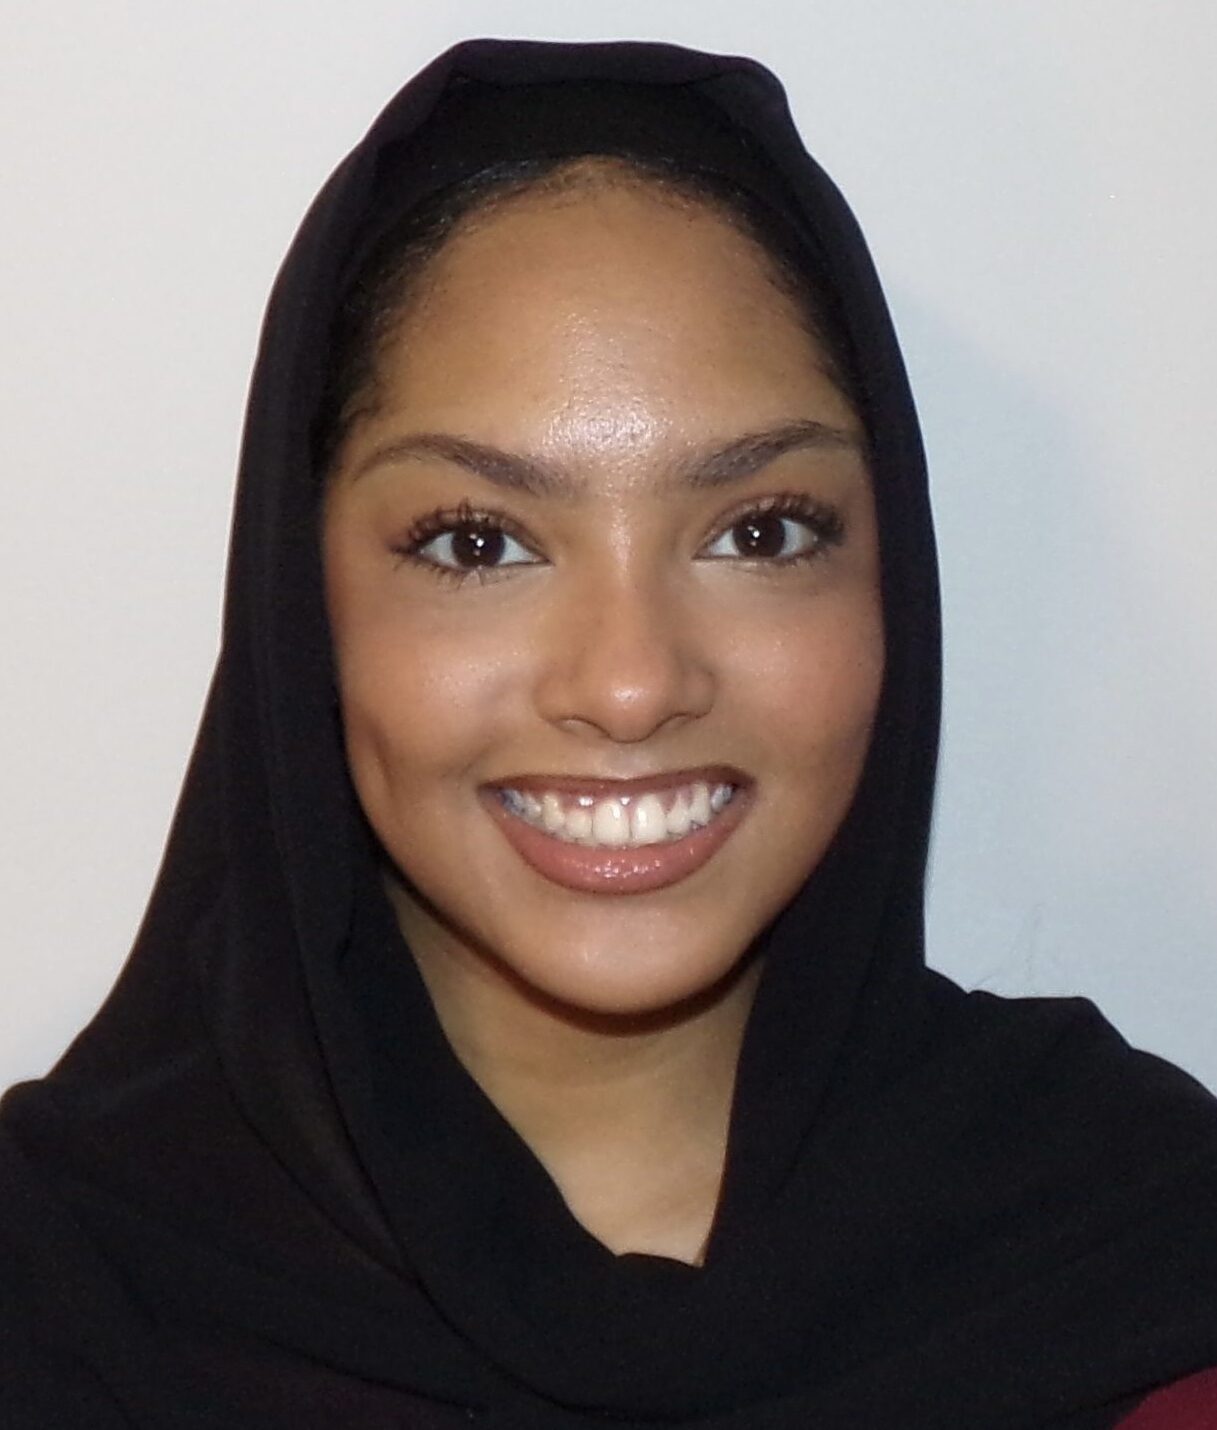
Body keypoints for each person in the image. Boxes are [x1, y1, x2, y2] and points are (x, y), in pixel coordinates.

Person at [1, 37, 1216, 1430]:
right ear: (302, 602)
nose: (630, 682)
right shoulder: (61, 1298)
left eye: (757, 531)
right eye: (479, 540)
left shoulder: (1137, 1254)